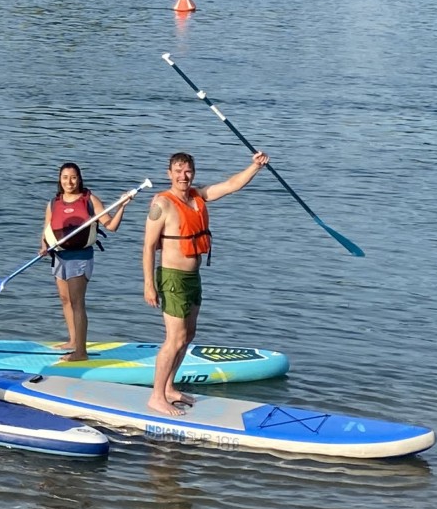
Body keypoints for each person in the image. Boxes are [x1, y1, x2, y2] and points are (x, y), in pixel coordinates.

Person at [139, 149, 267, 416]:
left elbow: (232, 185)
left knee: (188, 336)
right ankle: (156, 396)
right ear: (169, 174)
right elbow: (149, 247)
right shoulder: (162, 204)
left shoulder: (198, 197)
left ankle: (170, 388)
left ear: (193, 173)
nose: (183, 176)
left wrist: (255, 166)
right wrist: (149, 285)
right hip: (172, 278)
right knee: (173, 339)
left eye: (187, 171)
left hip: (193, 277)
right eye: (177, 171)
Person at [39, 161, 125, 361]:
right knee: (65, 299)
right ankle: (73, 341)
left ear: (79, 179)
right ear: (60, 180)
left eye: (73, 177)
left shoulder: (90, 200)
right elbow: (46, 229)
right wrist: (43, 246)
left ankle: (81, 352)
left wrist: (121, 206)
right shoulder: (53, 203)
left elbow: (111, 226)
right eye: (65, 177)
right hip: (59, 256)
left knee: (77, 302)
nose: (69, 182)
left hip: (80, 258)